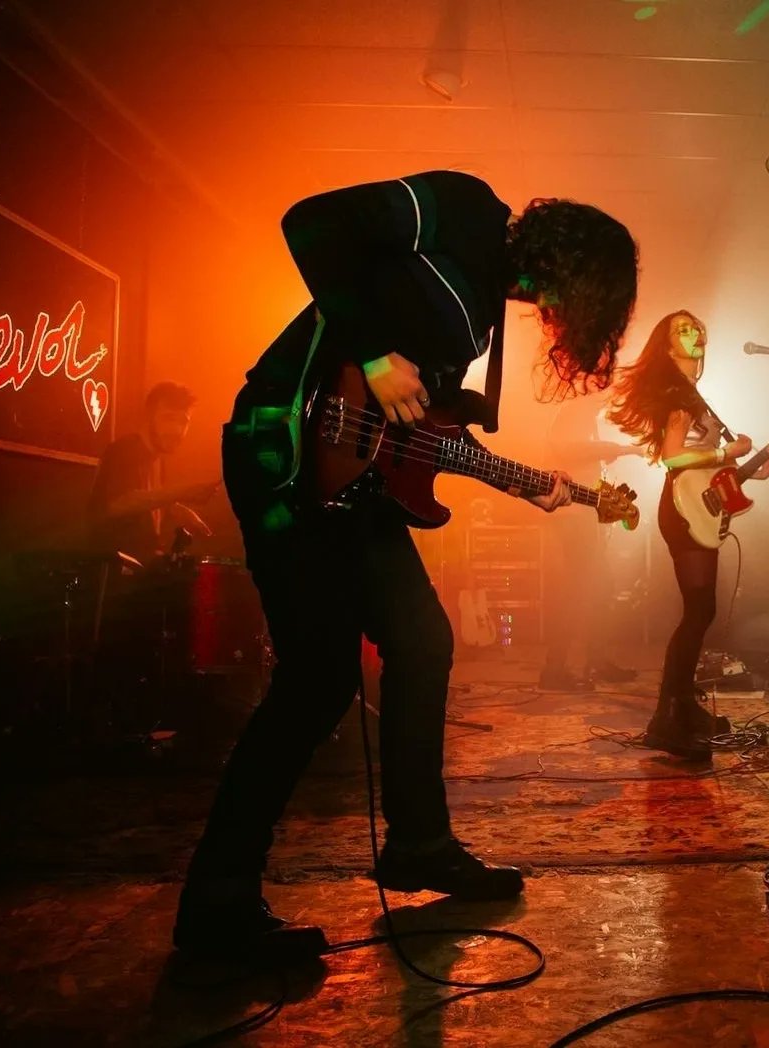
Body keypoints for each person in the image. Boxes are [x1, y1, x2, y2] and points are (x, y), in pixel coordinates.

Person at [173, 170, 639, 962]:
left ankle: (419, 844)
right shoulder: (462, 211)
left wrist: (531, 485)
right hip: (283, 446)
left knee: (423, 642)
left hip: (360, 488)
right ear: (575, 268)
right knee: (318, 678)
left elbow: (415, 433)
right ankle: (216, 902)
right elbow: (309, 218)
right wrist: (370, 354)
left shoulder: (487, 311)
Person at [608, 311, 769, 761]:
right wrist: (728, 450)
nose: (696, 333)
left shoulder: (692, 393)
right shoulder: (675, 394)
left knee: (702, 609)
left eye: (697, 327)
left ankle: (681, 706)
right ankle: (668, 715)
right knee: (698, 610)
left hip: (698, 503)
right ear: (668, 348)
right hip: (682, 509)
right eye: (683, 330)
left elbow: (708, 465)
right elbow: (671, 459)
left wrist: (751, 470)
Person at [539, 392, 640, 690]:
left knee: (600, 587)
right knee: (578, 591)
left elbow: (584, 456)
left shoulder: (585, 415)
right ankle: (555, 669)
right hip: (571, 517)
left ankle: (594, 661)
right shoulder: (573, 411)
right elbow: (568, 449)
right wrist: (619, 448)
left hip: (581, 515)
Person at [87, 381, 218, 566]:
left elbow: (147, 498)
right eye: (168, 418)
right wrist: (183, 492)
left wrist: (177, 509)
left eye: (183, 421)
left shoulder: (157, 459)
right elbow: (120, 502)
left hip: (138, 570)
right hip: (111, 575)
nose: (177, 430)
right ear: (148, 416)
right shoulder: (124, 450)